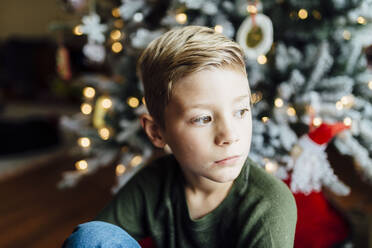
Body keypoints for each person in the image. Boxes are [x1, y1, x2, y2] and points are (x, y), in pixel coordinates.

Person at [63, 26, 297, 248]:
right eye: (203, 119)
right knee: (91, 236)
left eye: (241, 111)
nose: (230, 135)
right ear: (156, 132)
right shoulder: (155, 182)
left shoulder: (270, 204)